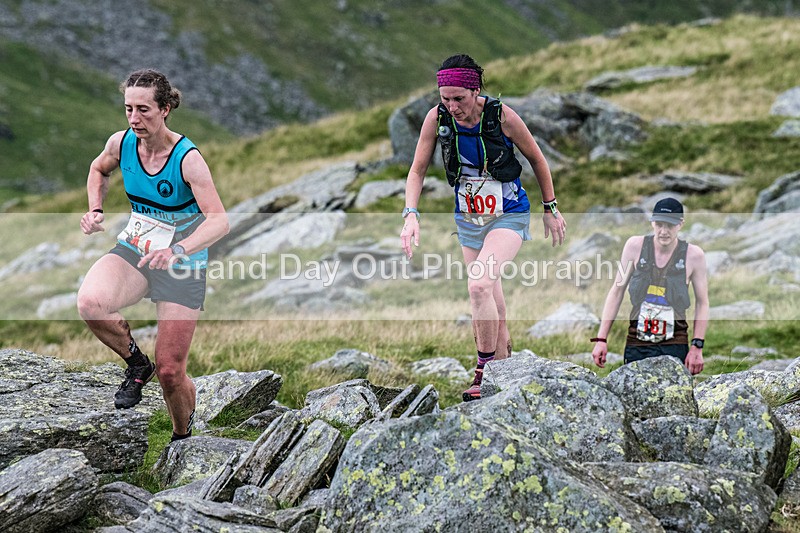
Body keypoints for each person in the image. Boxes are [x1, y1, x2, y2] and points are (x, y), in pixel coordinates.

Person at [400, 54, 566, 402]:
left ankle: (482, 370)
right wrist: (411, 213)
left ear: (476, 90)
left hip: (508, 214)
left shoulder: (502, 116)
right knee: (494, 303)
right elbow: (416, 171)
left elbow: (537, 159)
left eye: (459, 98)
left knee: (478, 286)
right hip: (469, 219)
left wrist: (550, 208)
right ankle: (502, 385)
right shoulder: (437, 118)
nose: (452, 106)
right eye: (445, 98)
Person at [77, 69, 229, 443]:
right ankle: (135, 364)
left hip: (181, 263)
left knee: (172, 373)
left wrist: (177, 249)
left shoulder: (187, 159)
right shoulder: (122, 142)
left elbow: (220, 221)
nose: (134, 118)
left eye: (143, 109)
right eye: (128, 108)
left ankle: (181, 437)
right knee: (91, 302)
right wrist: (95, 208)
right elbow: (98, 169)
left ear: (165, 109)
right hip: (137, 248)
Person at [591, 197, 708, 375]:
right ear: (652, 222)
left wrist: (697, 347)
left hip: (674, 343)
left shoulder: (694, 255)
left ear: (680, 224)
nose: (664, 231)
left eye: (670, 225)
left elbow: (702, 302)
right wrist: (601, 339)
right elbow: (617, 290)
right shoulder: (634, 246)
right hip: (637, 343)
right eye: (659, 224)